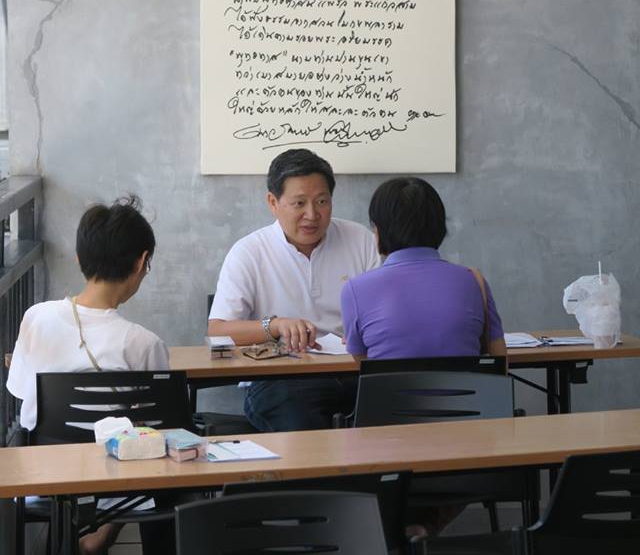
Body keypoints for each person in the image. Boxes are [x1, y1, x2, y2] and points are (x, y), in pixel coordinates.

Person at [7, 196, 169, 555]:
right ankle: (103, 535)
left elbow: (22, 397)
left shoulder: (36, 317)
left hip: (46, 473)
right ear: (141, 262)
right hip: (116, 479)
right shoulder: (144, 343)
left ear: (79, 259)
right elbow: (160, 422)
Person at [208, 148, 379, 431]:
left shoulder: (360, 239)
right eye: (299, 203)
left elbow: (383, 313)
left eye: (322, 201)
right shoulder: (249, 252)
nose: (312, 215)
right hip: (282, 378)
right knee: (302, 426)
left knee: (399, 404)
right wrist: (275, 326)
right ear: (273, 202)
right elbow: (218, 331)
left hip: (355, 371)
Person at [341, 176, 506, 359]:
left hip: (392, 380)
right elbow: (499, 359)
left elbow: (362, 361)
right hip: (465, 380)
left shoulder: (355, 289)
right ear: (439, 226)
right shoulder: (473, 281)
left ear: (378, 231)